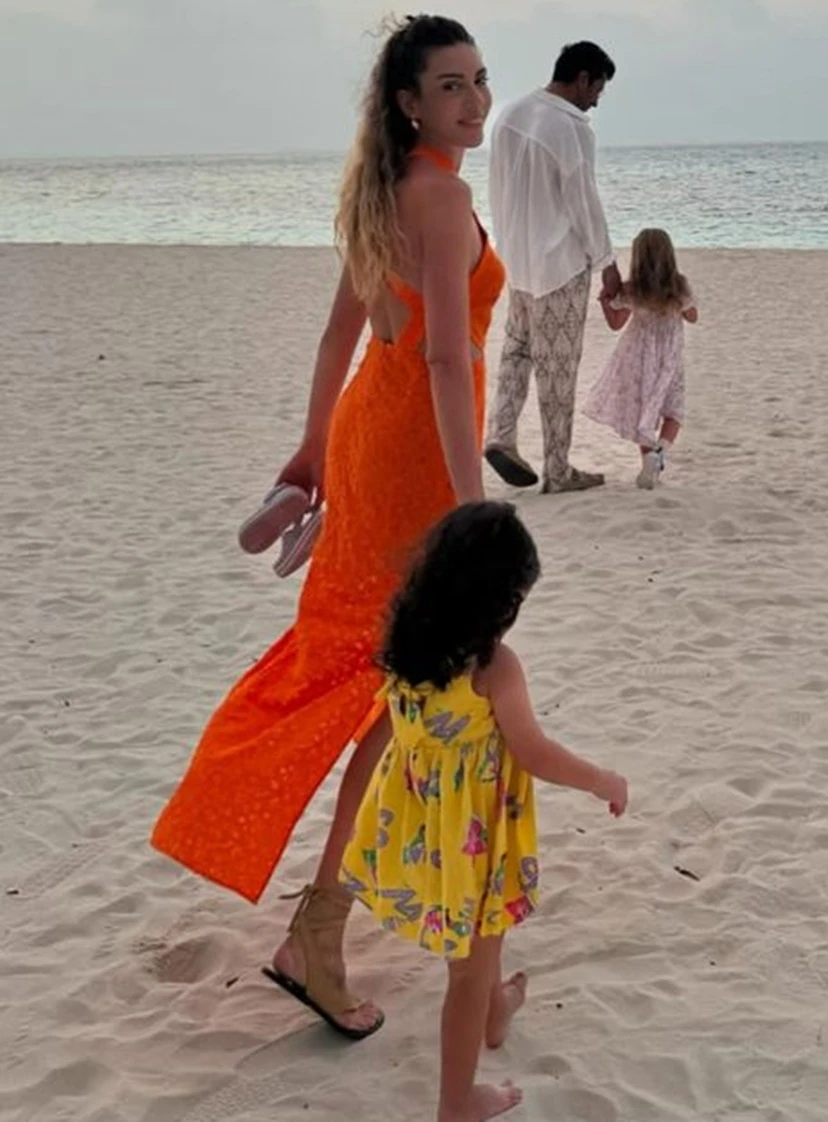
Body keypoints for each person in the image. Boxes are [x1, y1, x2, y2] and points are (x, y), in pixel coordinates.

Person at [150, 14, 505, 1040]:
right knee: (401, 690)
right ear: (408, 102)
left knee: (383, 681)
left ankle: (361, 930)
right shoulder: (442, 198)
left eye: (481, 79)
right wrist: (472, 504)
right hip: (414, 459)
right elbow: (446, 358)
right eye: (450, 86)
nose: (474, 101)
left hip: (367, 441)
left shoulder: (385, 190)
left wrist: (314, 452)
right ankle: (321, 928)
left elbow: (337, 337)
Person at [341, 501, 628, 1122]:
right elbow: (534, 752)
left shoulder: (406, 646)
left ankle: (497, 1009)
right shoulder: (492, 667)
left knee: (482, 945)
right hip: (470, 837)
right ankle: (457, 1102)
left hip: (421, 826)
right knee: (467, 975)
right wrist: (602, 780)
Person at [484, 41, 620, 495]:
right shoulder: (570, 126)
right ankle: (557, 469)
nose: (595, 101)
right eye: (597, 89)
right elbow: (583, 199)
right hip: (559, 264)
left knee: (517, 351)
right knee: (558, 369)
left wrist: (507, 247)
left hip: (517, 260)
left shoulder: (510, 115)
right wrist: (606, 262)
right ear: (582, 79)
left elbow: (498, 189)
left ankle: (501, 434)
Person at [584, 229, 698, 489]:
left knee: (643, 410)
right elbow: (692, 317)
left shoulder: (632, 289)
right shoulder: (678, 287)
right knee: (674, 410)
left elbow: (616, 323)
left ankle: (648, 460)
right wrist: (683, 307)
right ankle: (660, 453)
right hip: (669, 357)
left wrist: (604, 302)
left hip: (638, 357)